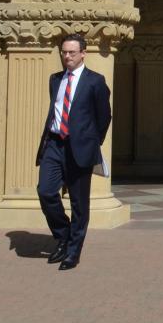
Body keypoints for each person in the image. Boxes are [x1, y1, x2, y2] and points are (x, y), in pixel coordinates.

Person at [36, 33, 112, 271]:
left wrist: (92, 142)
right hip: (54, 144)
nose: (67, 56)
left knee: (79, 203)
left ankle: (73, 251)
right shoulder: (55, 80)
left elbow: (104, 116)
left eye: (71, 52)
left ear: (83, 53)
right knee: (46, 191)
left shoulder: (95, 81)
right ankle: (63, 233)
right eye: (64, 52)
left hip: (80, 149)